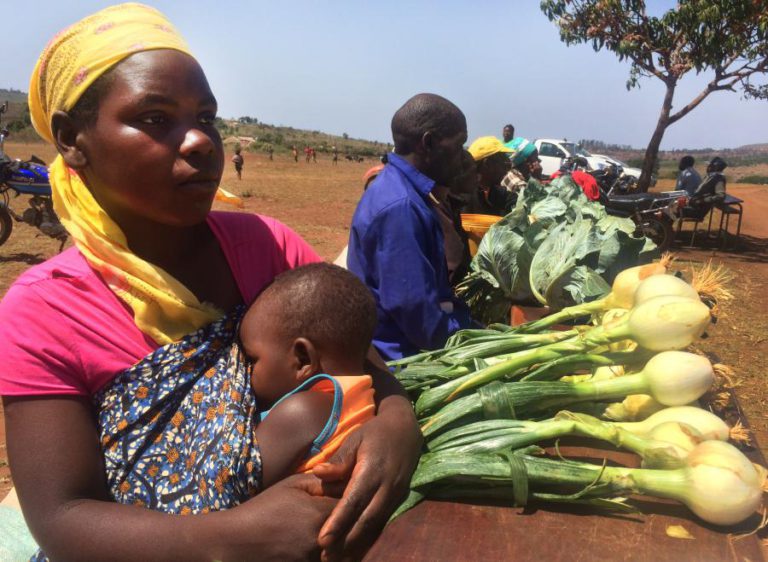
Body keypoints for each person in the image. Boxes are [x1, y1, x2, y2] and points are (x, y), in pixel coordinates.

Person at [0, 5, 421, 561]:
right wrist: (231, 539)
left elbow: (363, 364)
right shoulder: (44, 312)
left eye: (207, 117)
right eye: (155, 118)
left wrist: (397, 425)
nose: (200, 140)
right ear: (73, 139)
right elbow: (63, 518)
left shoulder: (267, 248)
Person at [347, 93, 473, 361]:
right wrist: (479, 337)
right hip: (403, 363)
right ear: (428, 143)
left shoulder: (402, 191)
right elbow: (424, 325)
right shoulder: (400, 207)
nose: (462, 156)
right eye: (459, 144)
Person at [465, 136, 516, 216]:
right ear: (487, 164)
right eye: (503, 163)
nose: (505, 171)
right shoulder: (461, 199)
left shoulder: (501, 195)